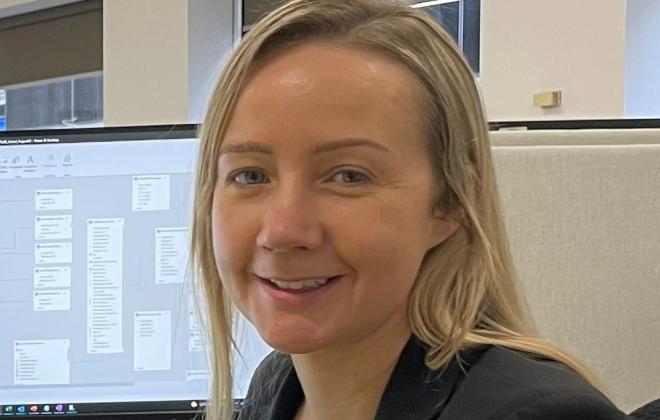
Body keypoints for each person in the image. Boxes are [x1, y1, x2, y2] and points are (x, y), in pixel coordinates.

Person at [190, 0, 629, 419]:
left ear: (451, 200)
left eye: (348, 176)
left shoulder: (534, 415)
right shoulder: (280, 383)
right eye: (250, 176)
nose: (283, 230)